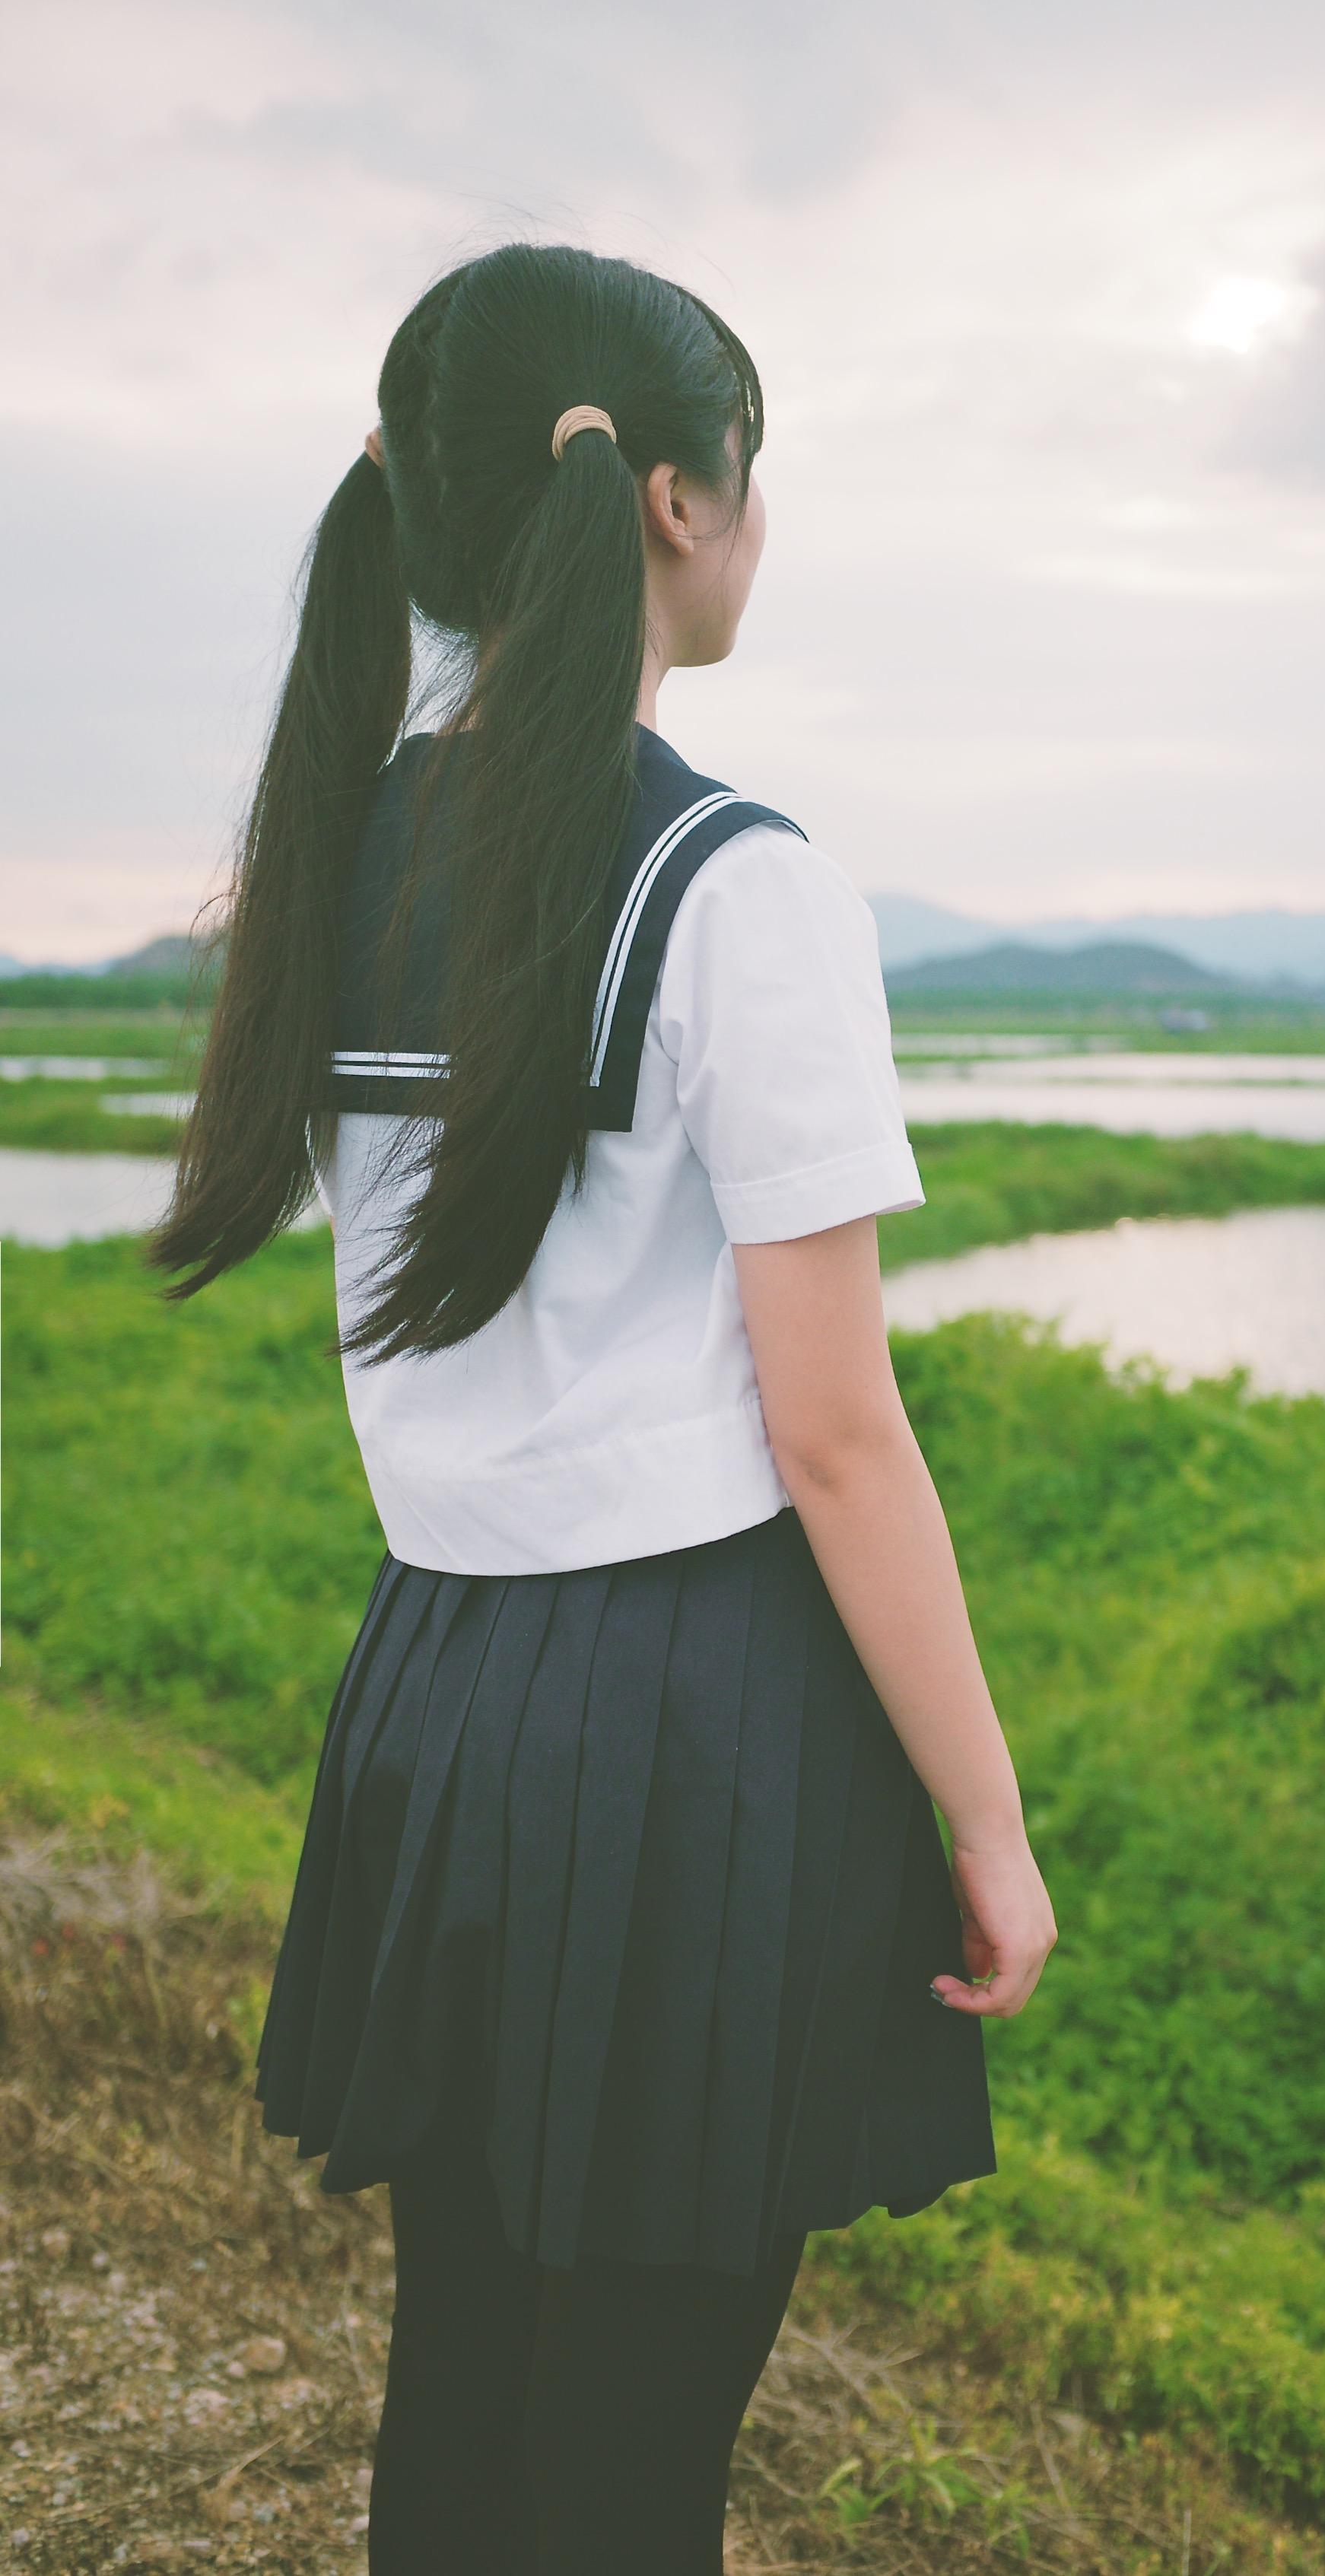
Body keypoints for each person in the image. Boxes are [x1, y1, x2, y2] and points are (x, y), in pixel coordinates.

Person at [146, 241, 1057, 2574]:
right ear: (673, 498)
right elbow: (836, 1433)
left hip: (438, 1681)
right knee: (636, 2452)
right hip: (693, 1725)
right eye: (757, 471)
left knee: (460, 2394)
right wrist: (987, 1816)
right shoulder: (736, 882)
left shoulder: (343, 843)